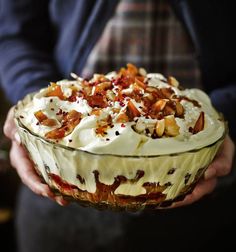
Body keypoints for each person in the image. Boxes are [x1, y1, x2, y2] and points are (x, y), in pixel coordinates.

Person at [0, 0, 235, 251]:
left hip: (206, 195)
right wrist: (35, 105)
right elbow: (14, 34)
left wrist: (226, 114)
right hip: (59, 181)